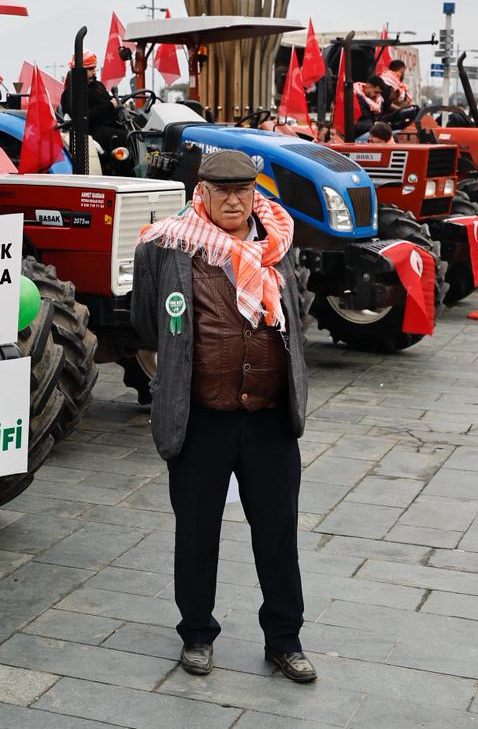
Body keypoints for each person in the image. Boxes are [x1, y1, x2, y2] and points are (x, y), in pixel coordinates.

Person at [132, 150, 316, 685]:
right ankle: (195, 634)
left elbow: (296, 318)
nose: (234, 200)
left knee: (279, 534)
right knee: (195, 530)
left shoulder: (278, 247)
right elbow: (148, 320)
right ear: (202, 194)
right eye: (223, 191)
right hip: (201, 418)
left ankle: (285, 640)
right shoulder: (167, 245)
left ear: (255, 195)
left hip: (270, 418)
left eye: (243, 191)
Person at [60, 52, 129, 161]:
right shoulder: (71, 93)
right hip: (91, 130)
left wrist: (119, 107)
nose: (93, 72)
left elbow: (109, 105)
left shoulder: (98, 86)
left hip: (110, 124)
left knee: (137, 132)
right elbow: (82, 117)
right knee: (122, 137)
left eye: (94, 68)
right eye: (90, 68)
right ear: (79, 70)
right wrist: (110, 106)